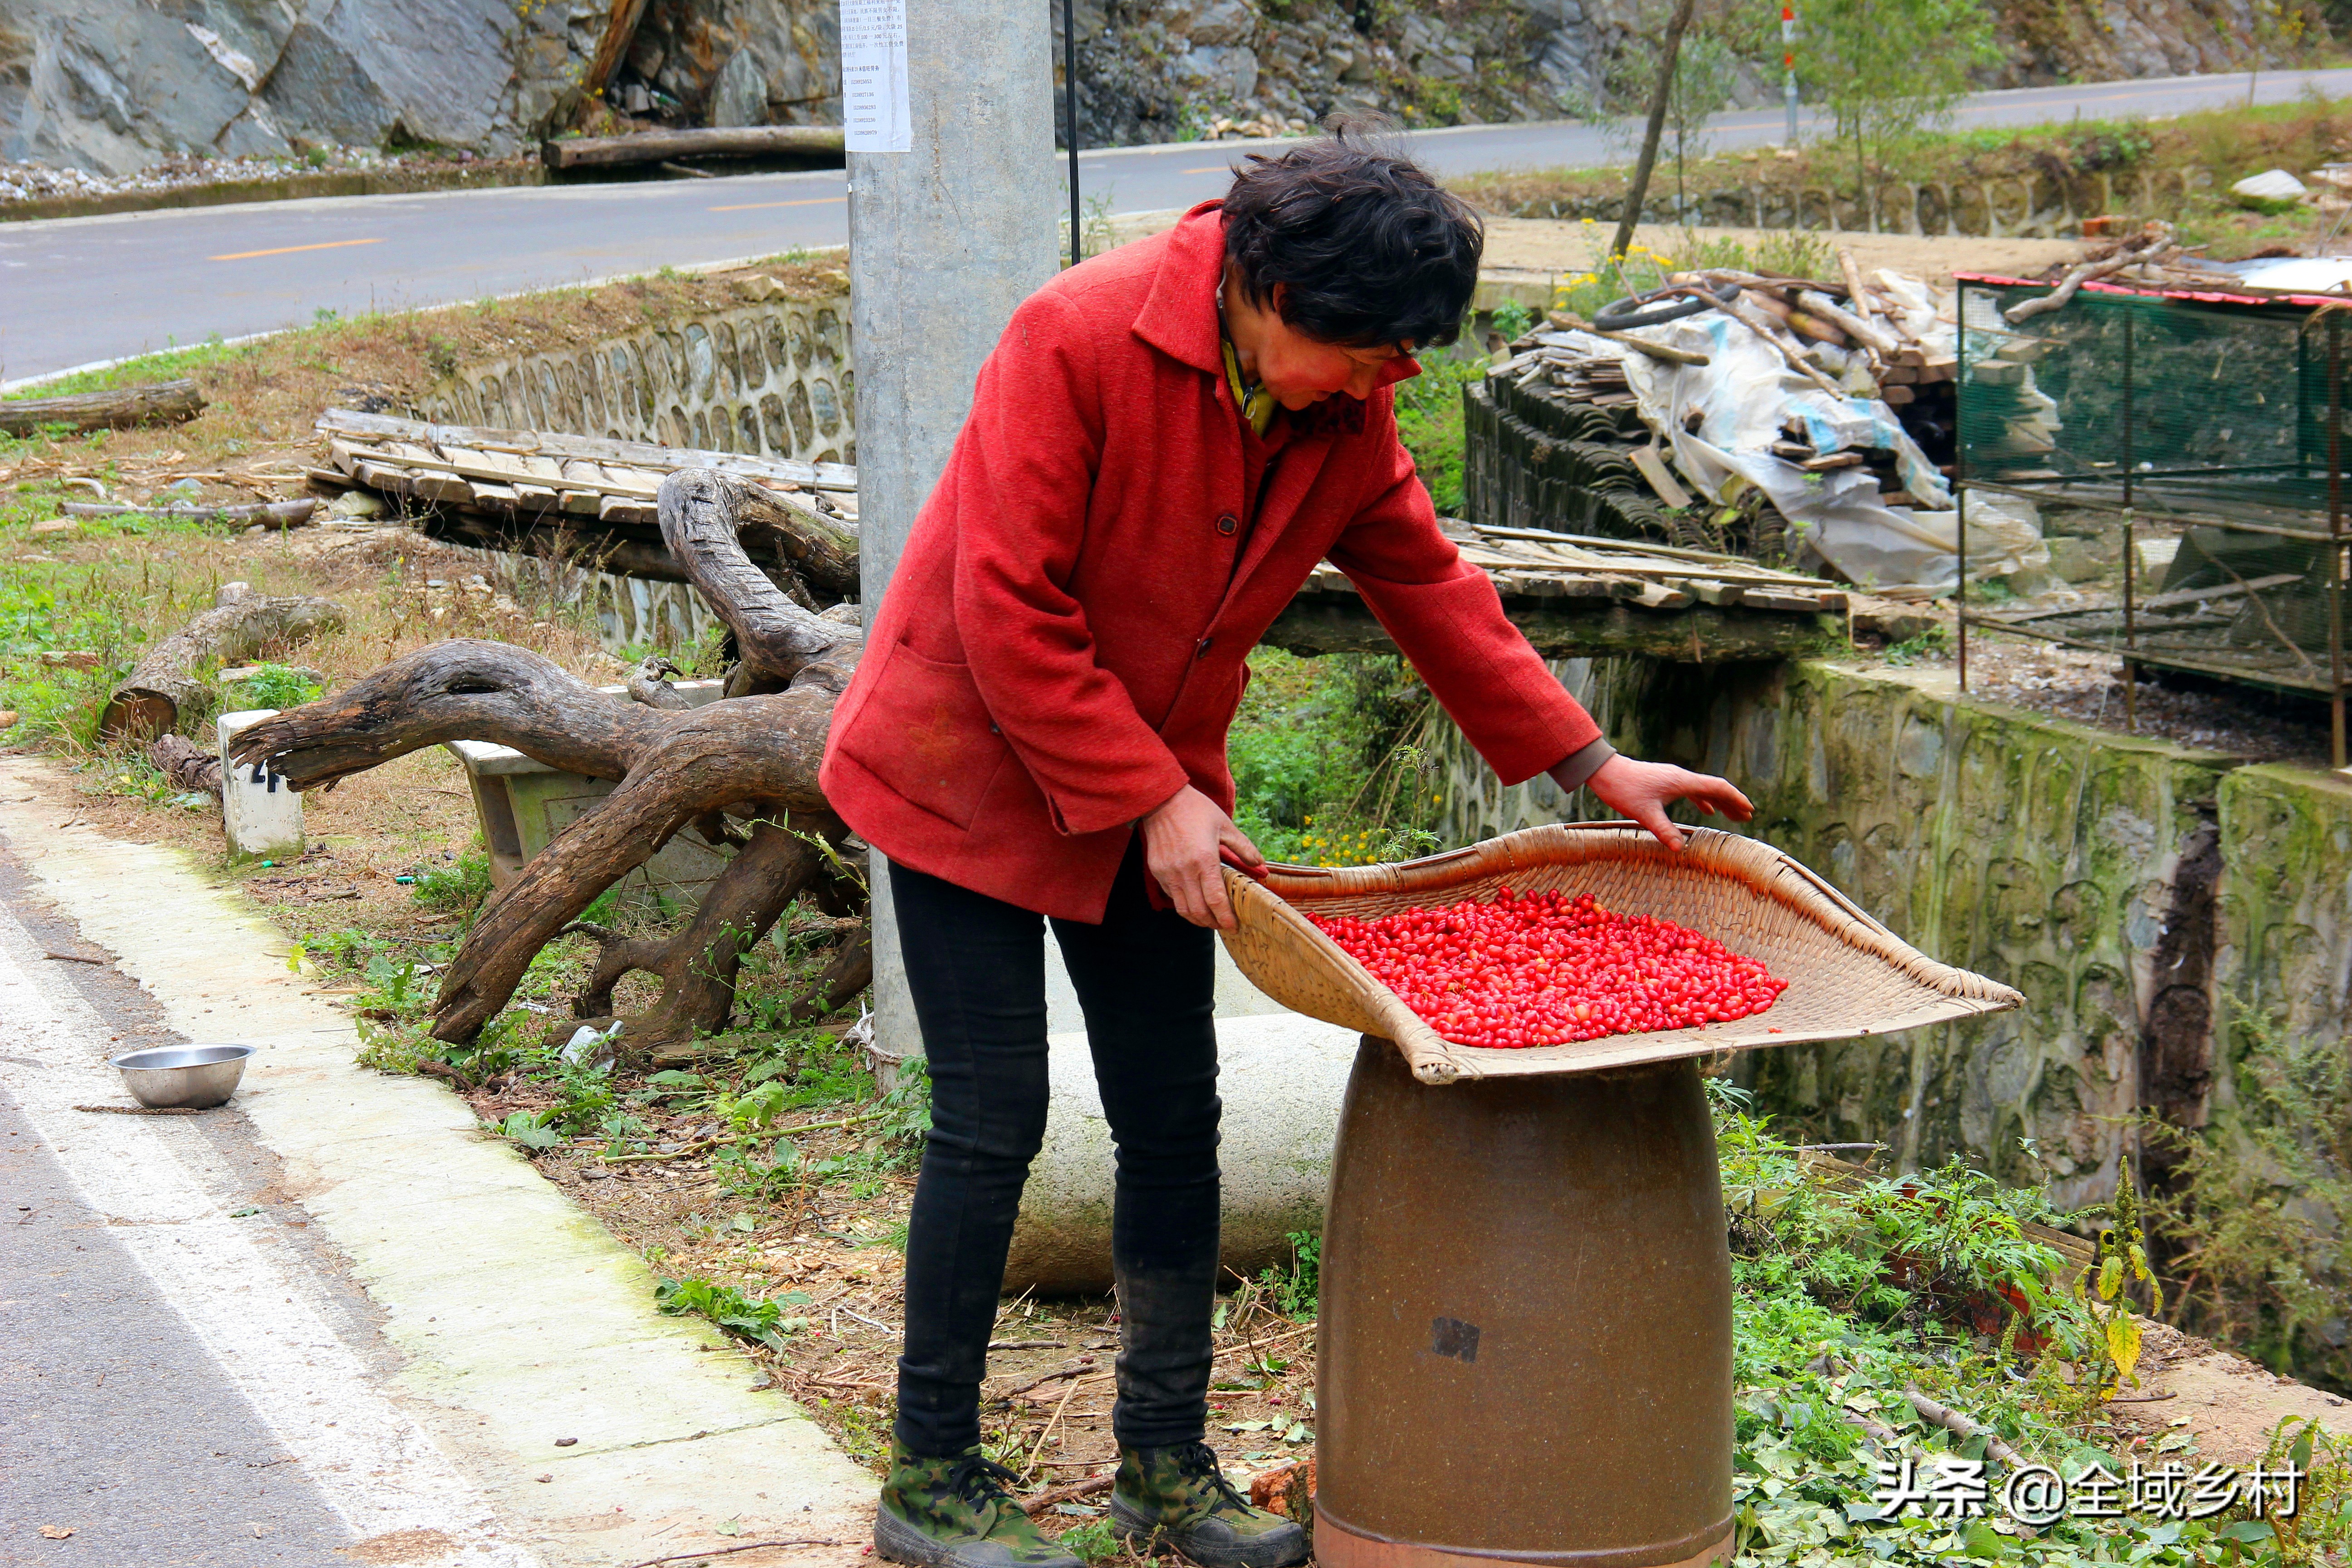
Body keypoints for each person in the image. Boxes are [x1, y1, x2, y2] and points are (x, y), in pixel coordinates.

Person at [818, 131, 1754, 1568]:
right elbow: (1004, 606)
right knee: (991, 1119)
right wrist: (1152, 793)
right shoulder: (1072, 337)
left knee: (1172, 1118)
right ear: (1267, 294)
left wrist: (1592, 759)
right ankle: (931, 1483)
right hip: (962, 769)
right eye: (1378, 348)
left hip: (1152, 798)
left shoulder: (1341, 416)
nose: (1399, 378)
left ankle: (1166, 1471)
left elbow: (1431, 585)